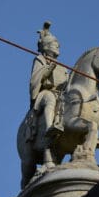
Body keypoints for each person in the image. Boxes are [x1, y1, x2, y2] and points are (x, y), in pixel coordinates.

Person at [29, 21, 68, 168]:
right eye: (54, 44)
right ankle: (49, 127)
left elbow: (66, 83)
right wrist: (48, 69)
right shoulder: (40, 59)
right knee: (50, 98)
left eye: (57, 44)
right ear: (45, 46)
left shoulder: (63, 67)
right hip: (45, 94)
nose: (57, 46)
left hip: (61, 94)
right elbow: (36, 80)